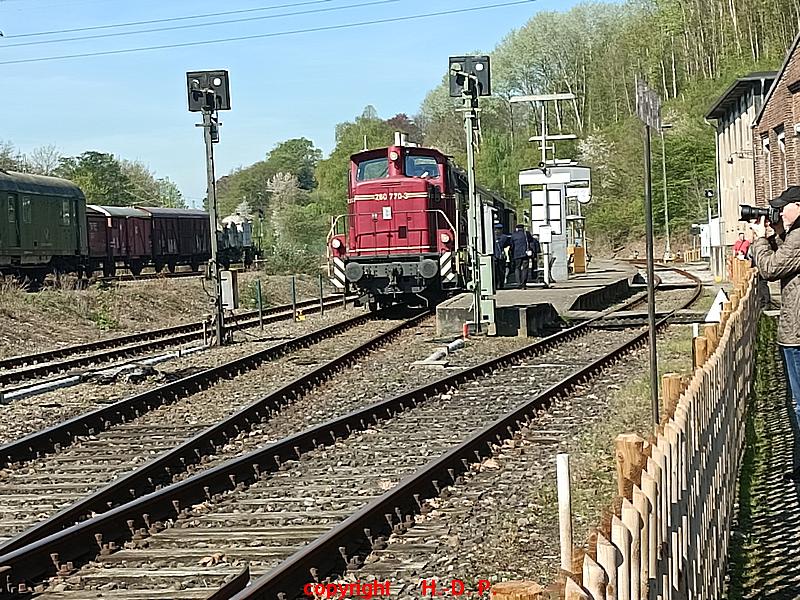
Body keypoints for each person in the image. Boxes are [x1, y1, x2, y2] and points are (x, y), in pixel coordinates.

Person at [749, 186, 800, 478]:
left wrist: (760, 239)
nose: (778, 212)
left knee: (799, 403)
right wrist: (777, 233)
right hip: (794, 330)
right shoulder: (793, 236)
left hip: (797, 332)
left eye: (783, 207)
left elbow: (770, 268)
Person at [510, 224, 535, 288]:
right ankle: (523, 283)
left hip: (516, 254)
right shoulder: (527, 234)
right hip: (525, 254)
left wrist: (512, 254)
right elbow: (532, 242)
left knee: (517, 268)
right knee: (525, 268)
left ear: (517, 228)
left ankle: (518, 283)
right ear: (523, 228)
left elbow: (512, 245)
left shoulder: (514, 235)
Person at [492, 223, 510, 290]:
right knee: (502, 272)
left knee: (495, 272)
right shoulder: (504, 237)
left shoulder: (491, 237)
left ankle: (495, 285)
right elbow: (507, 246)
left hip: (494, 257)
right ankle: (501, 284)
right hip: (501, 256)